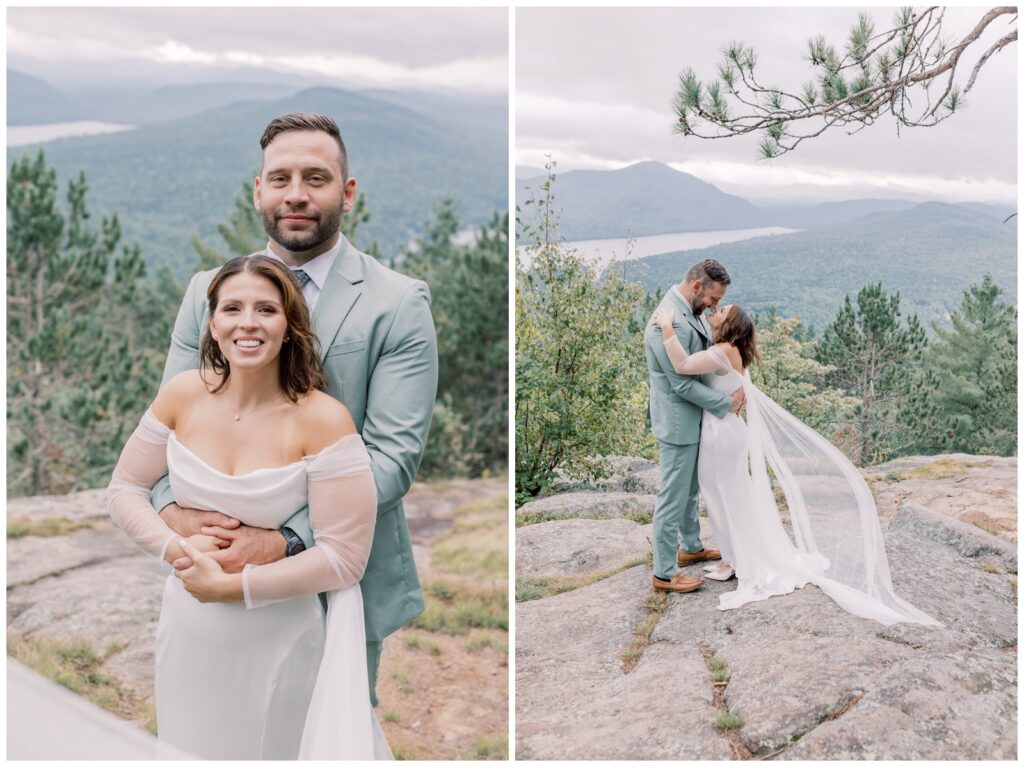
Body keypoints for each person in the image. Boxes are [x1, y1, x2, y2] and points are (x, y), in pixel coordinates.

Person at [148, 113, 438, 707]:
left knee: (325, 734)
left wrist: (286, 539)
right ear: (258, 190)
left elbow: (392, 457)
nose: (297, 194)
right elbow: (168, 426)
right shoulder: (210, 292)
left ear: (347, 192)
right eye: (279, 178)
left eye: (316, 177)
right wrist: (173, 513)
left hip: (334, 579)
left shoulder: (398, 302)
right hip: (211, 567)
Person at [108, 255, 392, 758]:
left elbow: (344, 557)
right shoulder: (181, 395)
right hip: (189, 624)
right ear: (213, 323)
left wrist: (235, 586)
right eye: (232, 308)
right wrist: (177, 547)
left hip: (279, 631)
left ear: (289, 326)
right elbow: (125, 489)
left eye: (266, 309)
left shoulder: (323, 420)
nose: (248, 323)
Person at [651, 302, 939, 626]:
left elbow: (682, 363)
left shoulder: (721, 351)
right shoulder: (730, 350)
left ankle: (739, 561)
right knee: (727, 496)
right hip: (725, 430)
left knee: (724, 497)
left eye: (722, 311)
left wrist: (665, 327)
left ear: (730, 324)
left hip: (721, 435)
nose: (714, 311)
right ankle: (732, 559)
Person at [642, 259, 744, 593]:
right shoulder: (666, 322)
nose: (715, 306)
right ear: (697, 286)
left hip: (695, 419)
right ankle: (664, 573)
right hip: (677, 421)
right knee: (673, 495)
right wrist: (725, 403)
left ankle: (691, 548)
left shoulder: (690, 310)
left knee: (689, 491)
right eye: (714, 299)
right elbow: (681, 385)